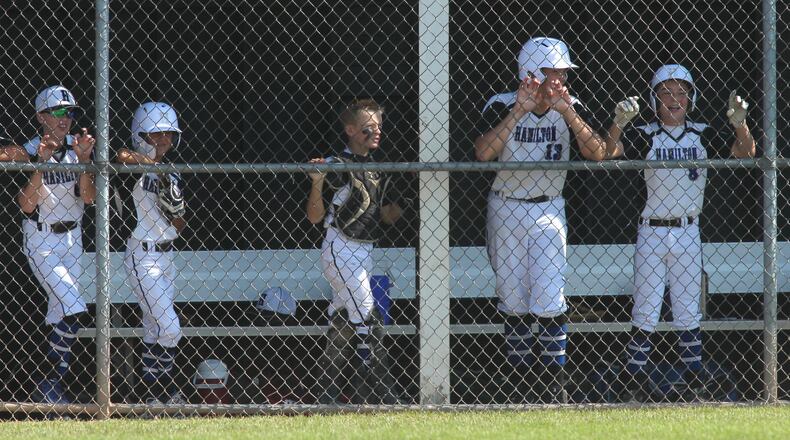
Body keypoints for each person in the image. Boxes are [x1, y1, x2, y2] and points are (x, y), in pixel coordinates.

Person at [604, 64, 755, 402]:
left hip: (688, 229)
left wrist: (739, 124)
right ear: (654, 98)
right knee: (646, 307)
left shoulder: (702, 132)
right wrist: (617, 124)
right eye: (666, 92)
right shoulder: (646, 134)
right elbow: (607, 154)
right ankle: (633, 374)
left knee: (687, 308)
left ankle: (693, 373)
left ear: (692, 97)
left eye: (681, 92)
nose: (675, 99)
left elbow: (746, 153)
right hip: (652, 230)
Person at [473, 37, 608, 404]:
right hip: (506, 206)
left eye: (563, 74)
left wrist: (567, 113)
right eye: (554, 73)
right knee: (513, 298)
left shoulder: (570, 107)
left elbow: (598, 153)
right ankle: (519, 382)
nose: (561, 80)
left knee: (549, 296)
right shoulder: (502, 104)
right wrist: (518, 111)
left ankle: (554, 383)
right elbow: (483, 153)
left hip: (548, 207)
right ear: (531, 73)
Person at [306, 98, 403, 404]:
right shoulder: (337, 166)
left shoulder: (375, 167)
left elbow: (387, 217)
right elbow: (314, 217)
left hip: (363, 250)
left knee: (344, 319)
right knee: (367, 316)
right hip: (340, 247)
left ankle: (327, 391)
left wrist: (409, 193)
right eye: (368, 127)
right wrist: (317, 183)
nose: (376, 132)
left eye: (379, 127)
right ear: (350, 129)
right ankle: (380, 393)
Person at [17, 85, 96, 404]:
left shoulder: (78, 148)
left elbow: (88, 197)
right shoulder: (35, 147)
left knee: (58, 314)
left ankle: (50, 385)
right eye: (59, 112)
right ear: (41, 117)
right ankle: (50, 380)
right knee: (74, 307)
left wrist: (85, 161)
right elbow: (26, 205)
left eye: (71, 112)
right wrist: (42, 163)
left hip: (72, 237)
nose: (66, 119)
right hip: (42, 238)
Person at [115, 102, 187, 405]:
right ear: (140, 134)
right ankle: (161, 389)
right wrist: (154, 167)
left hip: (166, 254)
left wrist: (175, 208)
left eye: (168, 134)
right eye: (156, 134)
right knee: (170, 328)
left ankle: (150, 395)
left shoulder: (170, 173)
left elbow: (180, 224)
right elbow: (121, 156)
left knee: (154, 328)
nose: (163, 140)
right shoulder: (135, 165)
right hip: (142, 254)